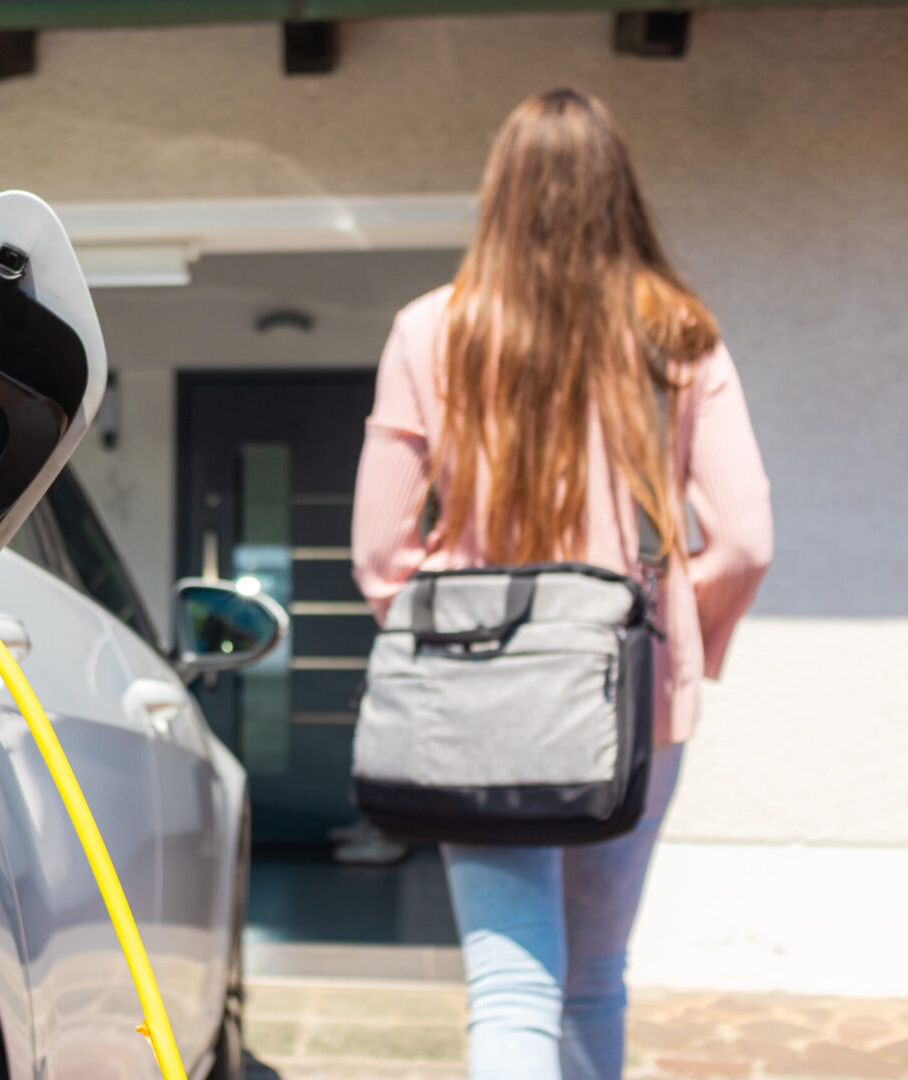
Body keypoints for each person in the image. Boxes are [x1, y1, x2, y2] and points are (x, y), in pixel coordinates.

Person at [350, 88, 773, 1080]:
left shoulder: (429, 331)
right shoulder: (678, 335)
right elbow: (746, 539)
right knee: (594, 977)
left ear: (500, 192)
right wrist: (678, 638)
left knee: (511, 987)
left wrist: (448, 633)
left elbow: (378, 553)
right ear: (618, 192)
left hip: (477, 695)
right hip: (635, 698)